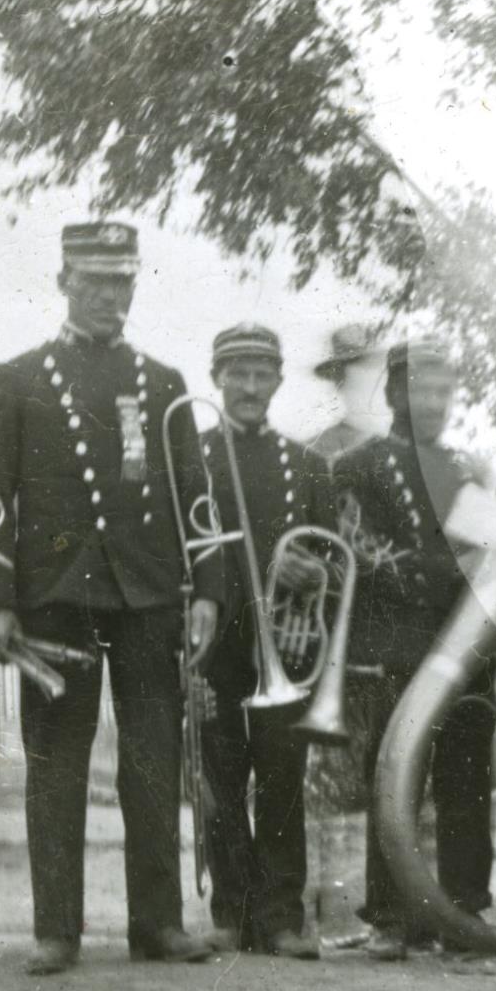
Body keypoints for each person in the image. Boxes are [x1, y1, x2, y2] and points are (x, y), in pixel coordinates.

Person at [0, 221, 221, 974]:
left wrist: (207, 589)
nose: (112, 296)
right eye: (96, 283)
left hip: (147, 593)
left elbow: (196, 499)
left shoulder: (164, 383)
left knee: (152, 756)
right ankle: (58, 930)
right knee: (57, 760)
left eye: (123, 282)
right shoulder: (14, 380)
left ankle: (158, 924)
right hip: (56, 593)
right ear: (64, 284)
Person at [336, 339, 495, 959]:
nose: (433, 403)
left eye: (443, 392)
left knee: (467, 772)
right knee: (394, 775)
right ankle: (391, 917)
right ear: (395, 394)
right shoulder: (357, 464)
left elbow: (495, 549)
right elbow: (360, 547)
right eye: (420, 391)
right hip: (397, 643)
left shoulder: (464, 468)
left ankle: (465, 909)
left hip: (459, 644)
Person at [195, 322, 339, 959]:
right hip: (216, 645)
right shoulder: (190, 457)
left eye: (262, 375)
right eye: (238, 375)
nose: (250, 387)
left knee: (282, 778)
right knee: (221, 781)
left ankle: (282, 917)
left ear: (278, 382)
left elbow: (334, 557)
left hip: (288, 648)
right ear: (217, 379)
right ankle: (232, 912)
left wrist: (313, 572)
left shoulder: (308, 465)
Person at [306, 322, 385, 465]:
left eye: (372, 368)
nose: (368, 379)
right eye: (358, 368)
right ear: (338, 382)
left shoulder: (403, 442)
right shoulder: (316, 451)